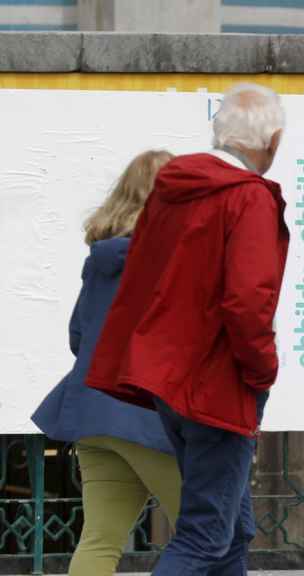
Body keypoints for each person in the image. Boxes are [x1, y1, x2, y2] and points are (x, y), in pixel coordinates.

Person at [86, 83, 289, 575]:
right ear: (274, 140)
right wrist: (262, 372)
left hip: (170, 383)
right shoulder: (248, 198)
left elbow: (142, 281)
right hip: (218, 385)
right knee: (205, 535)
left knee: (230, 531)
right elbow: (247, 302)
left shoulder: (173, 191)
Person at [31, 150, 180, 576]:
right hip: (148, 417)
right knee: (210, 536)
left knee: (99, 540)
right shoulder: (174, 259)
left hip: (92, 412)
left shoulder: (100, 260)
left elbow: (78, 336)